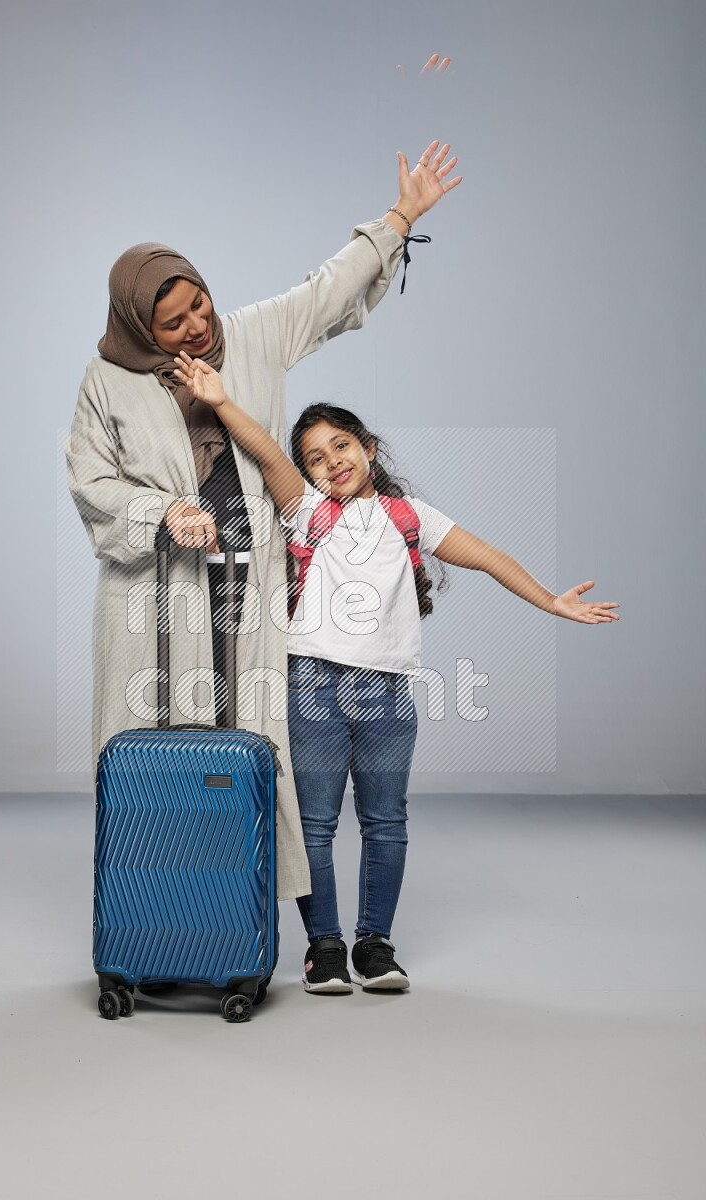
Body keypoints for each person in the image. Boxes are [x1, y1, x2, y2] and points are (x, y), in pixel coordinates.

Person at [66, 137, 462, 902]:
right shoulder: (105, 383)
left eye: (198, 304)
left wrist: (399, 218)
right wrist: (164, 509)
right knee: (153, 748)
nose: (196, 326)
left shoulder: (251, 335)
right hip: (155, 597)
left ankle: (232, 918)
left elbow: (325, 290)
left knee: (246, 749)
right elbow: (90, 482)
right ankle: (155, 910)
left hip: (251, 593)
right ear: (142, 327)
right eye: (173, 321)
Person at [170, 351, 621, 993]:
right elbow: (266, 451)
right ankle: (324, 948)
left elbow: (489, 556)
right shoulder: (305, 512)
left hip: (388, 692)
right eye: (318, 458)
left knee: (386, 821)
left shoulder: (412, 518)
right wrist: (218, 399)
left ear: (370, 447)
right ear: (308, 475)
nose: (333, 463)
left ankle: (374, 946)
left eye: (342, 445)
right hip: (312, 686)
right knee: (316, 824)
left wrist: (551, 599)